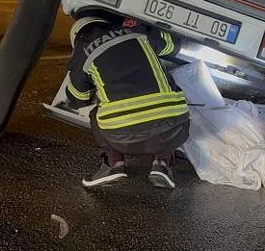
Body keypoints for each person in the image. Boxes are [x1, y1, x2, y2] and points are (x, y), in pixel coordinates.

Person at [62, 12, 190, 189]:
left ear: (77, 37)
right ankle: (163, 165)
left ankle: (113, 165)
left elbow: (78, 99)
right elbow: (172, 45)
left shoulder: (81, 53)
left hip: (121, 138)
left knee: (96, 113)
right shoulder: (137, 33)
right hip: (173, 133)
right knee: (168, 100)